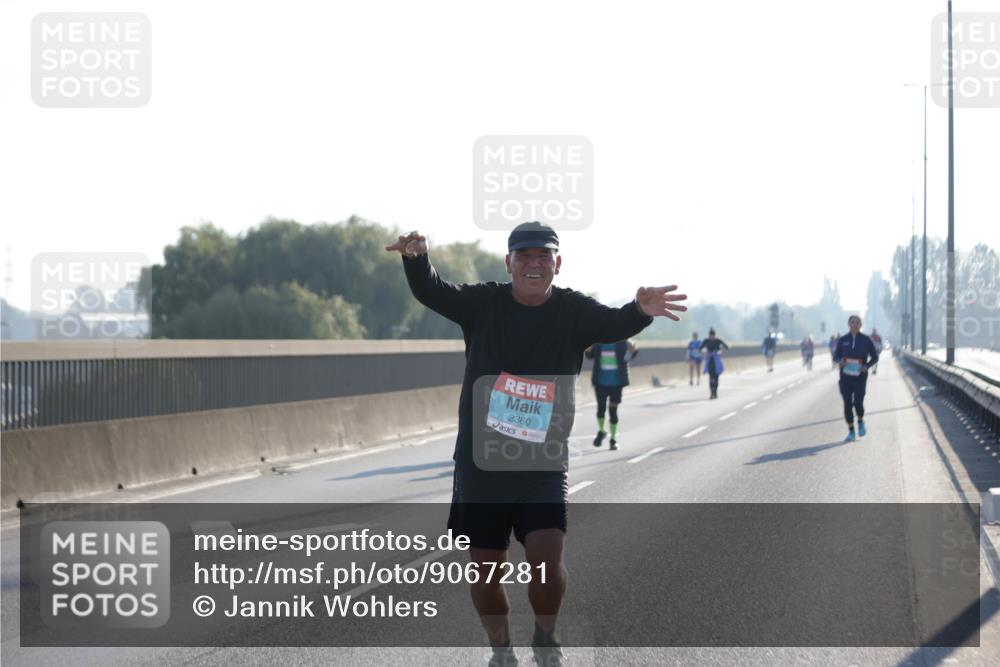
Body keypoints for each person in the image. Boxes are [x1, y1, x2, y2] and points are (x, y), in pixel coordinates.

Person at [386, 221, 687, 666]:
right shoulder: (483, 303)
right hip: (482, 463)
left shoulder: (573, 311)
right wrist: (416, 260)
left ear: (557, 265)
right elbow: (434, 292)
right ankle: (501, 649)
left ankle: (545, 635)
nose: (533, 263)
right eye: (523, 256)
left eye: (543, 256)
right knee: (487, 572)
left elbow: (613, 322)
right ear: (508, 263)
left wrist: (640, 310)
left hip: (542, 463)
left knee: (547, 559)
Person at [832, 315, 880, 443]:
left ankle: (860, 420)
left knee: (858, 403)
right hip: (845, 377)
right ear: (848, 324)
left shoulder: (866, 340)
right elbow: (835, 356)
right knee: (847, 404)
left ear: (860, 325)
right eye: (852, 322)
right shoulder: (843, 340)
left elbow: (875, 357)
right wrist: (839, 361)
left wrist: (867, 366)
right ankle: (851, 431)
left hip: (860, 377)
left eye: (857, 322)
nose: (854, 324)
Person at [585, 339, 637, 450]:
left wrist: (632, 350)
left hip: (616, 383)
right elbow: (589, 356)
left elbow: (628, 358)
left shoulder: (622, 342)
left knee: (613, 411)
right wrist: (588, 347)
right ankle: (602, 430)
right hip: (600, 382)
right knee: (601, 409)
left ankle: (613, 439)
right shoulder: (599, 342)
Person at [699, 328, 729, 399]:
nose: (711, 337)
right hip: (709, 361)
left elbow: (727, 347)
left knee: (716, 377)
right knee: (711, 377)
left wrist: (720, 351)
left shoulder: (718, 340)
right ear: (709, 335)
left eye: (713, 336)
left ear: (715, 335)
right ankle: (711, 393)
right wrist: (705, 352)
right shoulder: (706, 341)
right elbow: (700, 349)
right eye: (710, 336)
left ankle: (715, 392)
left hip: (716, 361)